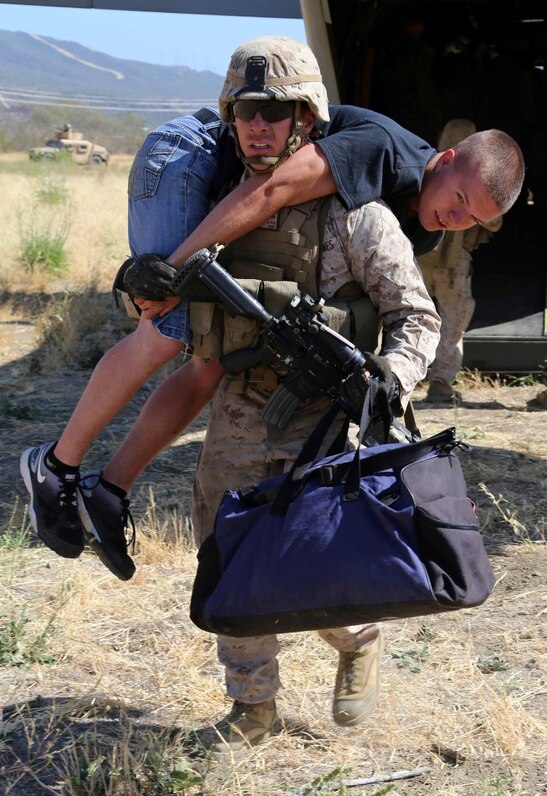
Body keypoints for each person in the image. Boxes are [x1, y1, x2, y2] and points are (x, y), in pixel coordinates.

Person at [20, 43, 525, 580]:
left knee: (210, 360)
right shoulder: (382, 152)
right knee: (168, 324)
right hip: (186, 155)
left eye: (473, 219)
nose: (456, 218)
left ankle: (107, 491)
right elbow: (274, 187)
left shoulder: (419, 219)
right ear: (445, 160)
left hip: (231, 180)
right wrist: (172, 271)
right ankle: (54, 466)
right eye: (461, 198)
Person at [153, 35, 440, 752]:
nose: (259, 125)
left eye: (276, 112)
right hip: (240, 408)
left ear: (306, 120)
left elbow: (415, 316)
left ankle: (356, 639)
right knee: (229, 559)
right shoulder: (218, 210)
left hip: (324, 422)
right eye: (247, 110)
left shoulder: (357, 217)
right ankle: (252, 709)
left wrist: (390, 377)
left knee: (314, 569)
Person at [418, 119, 503, 403]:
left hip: (423, 257)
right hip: (451, 262)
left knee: (410, 315)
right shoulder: (472, 176)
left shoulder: (427, 167)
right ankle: (440, 382)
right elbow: (494, 221)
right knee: (454, 320)